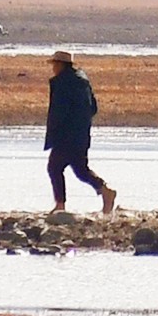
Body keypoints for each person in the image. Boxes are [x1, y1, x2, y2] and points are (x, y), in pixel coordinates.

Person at [45, 49, 117, 215]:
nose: (53, 68)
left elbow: (59, 112)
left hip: (67, 135)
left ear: (61, 65)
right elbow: (93, 107)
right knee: (80, 169)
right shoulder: (82, 80)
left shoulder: (63, 83)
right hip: (81, 134)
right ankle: (105, 191)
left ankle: (60, 205)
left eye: (54, 64)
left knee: (55, 167)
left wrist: (56, 132)